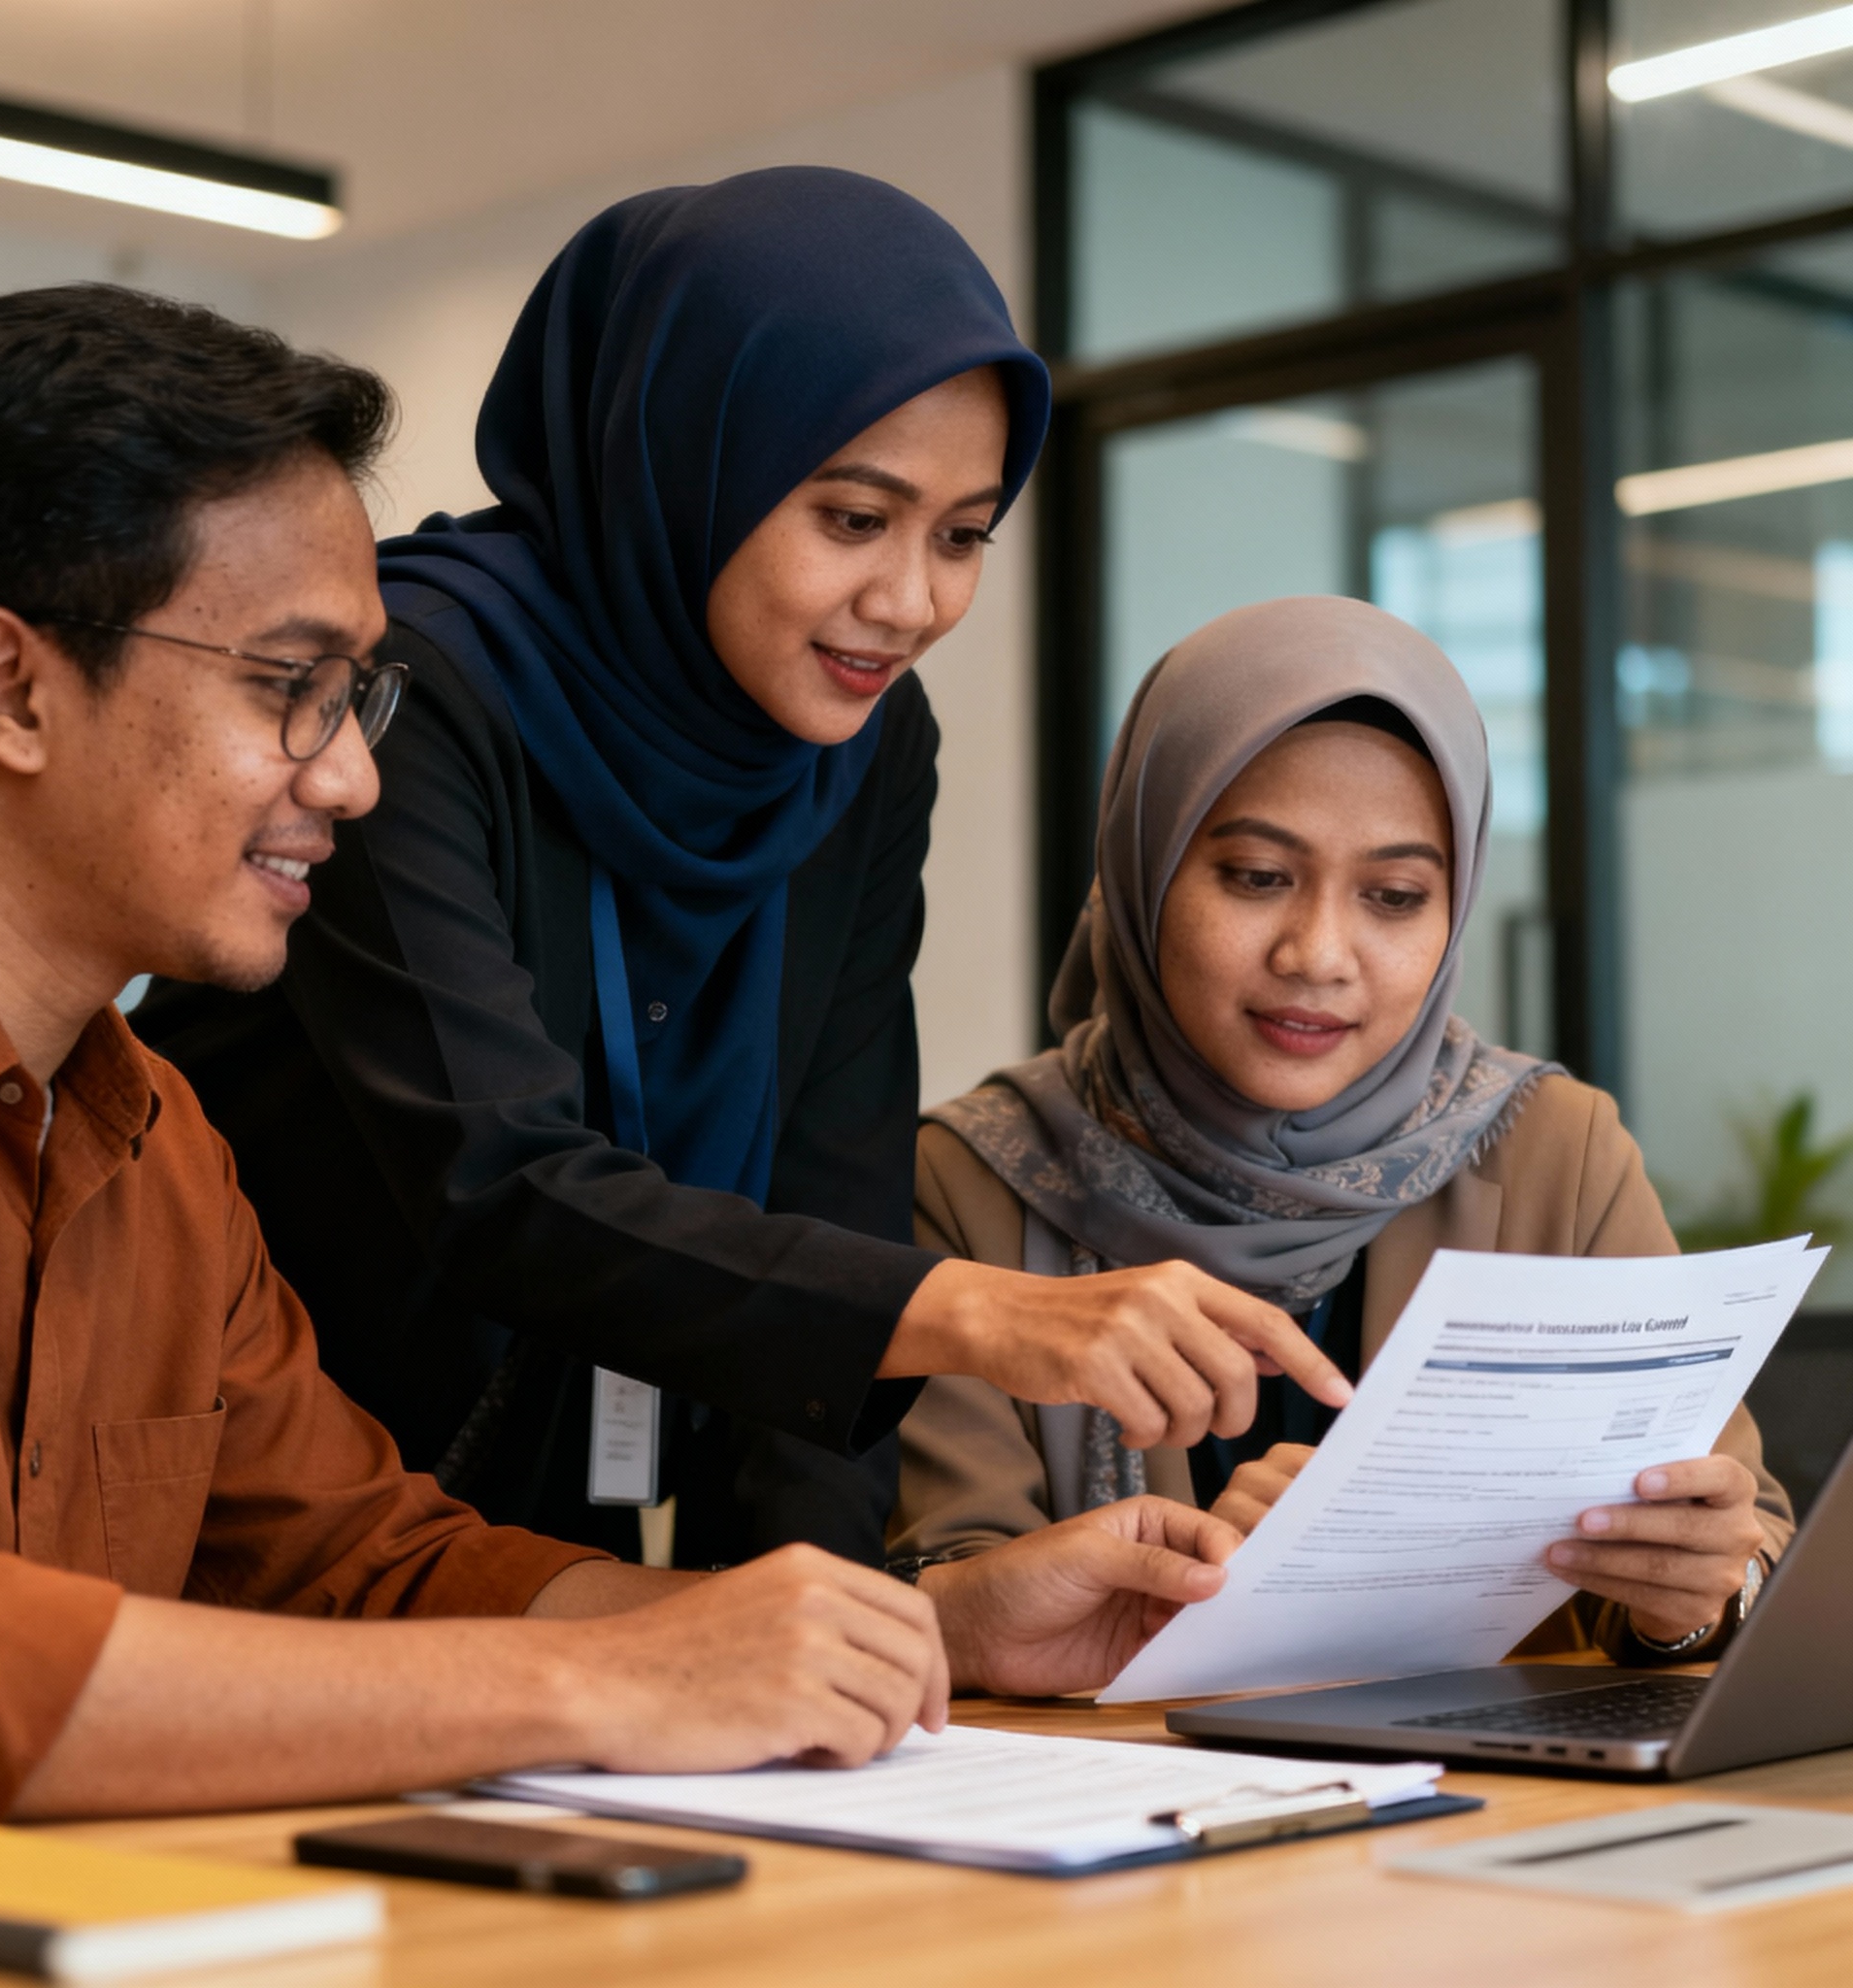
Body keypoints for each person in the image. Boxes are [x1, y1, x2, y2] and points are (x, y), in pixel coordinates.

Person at [0, 282, 1249, 1826]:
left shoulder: (153, 1140)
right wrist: (607, 1685)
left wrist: (916, 1634)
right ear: (10, 689)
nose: (354, 778)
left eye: (356, 696)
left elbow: (370, 1566)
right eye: (287, 688)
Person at [138, 167, 1348, 1569]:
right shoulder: (411, 694)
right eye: (853, 518)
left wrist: (827, 1613)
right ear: (683, 460)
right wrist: (973, 1310)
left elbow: (829, 1181)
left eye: (962, 536)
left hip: (562, 1521)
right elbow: (497, 1183)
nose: (910, 602)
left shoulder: (861, 748)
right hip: (270, 1487)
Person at [891, 597, 1789, 1662]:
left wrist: (1691, 1597)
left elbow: (1740, 1537)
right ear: (1142, 869)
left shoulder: (1554, 1149)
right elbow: (934, 1581)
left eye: (1395, 895)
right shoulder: (970, 1177)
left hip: (1491, 1765)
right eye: (1257, 877)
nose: (1317, 953)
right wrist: (1210, 1583)